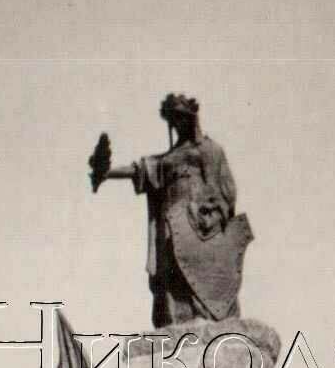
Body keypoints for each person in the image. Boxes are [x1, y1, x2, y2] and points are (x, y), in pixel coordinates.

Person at [92, 93, 251, 327]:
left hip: (200, 225)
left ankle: (205, 316)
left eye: (181, 118)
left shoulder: (209, 150)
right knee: (169, 272)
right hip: (170, 223)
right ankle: (174, 319)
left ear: (191, 119)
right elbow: (142, 169)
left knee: (197, 268)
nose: (177, 124)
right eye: (174, 120)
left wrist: (211, 211)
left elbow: (226, 191)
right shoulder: (170, 158)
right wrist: (106, 173)